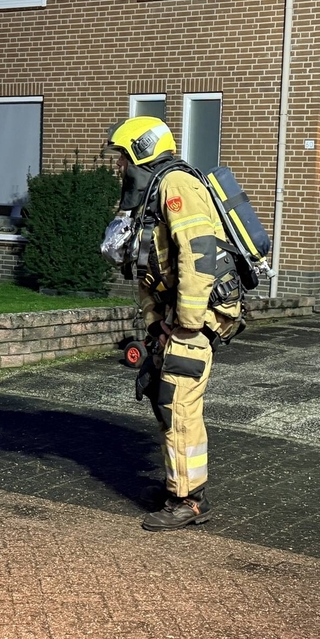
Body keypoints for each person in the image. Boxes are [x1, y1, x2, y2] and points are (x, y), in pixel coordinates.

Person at [105, 116, 243, 531]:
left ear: (141, 153)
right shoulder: (154, 189)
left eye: (123, 158)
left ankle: (189, 500)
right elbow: (154, 265)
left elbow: (197, 255)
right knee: (163, 398)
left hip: (197, 316)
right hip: (175, 316)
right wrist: (156, 325)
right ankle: (177, 485)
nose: (119, 167)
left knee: (179, 404)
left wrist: (184, 324)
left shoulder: (177, 186)